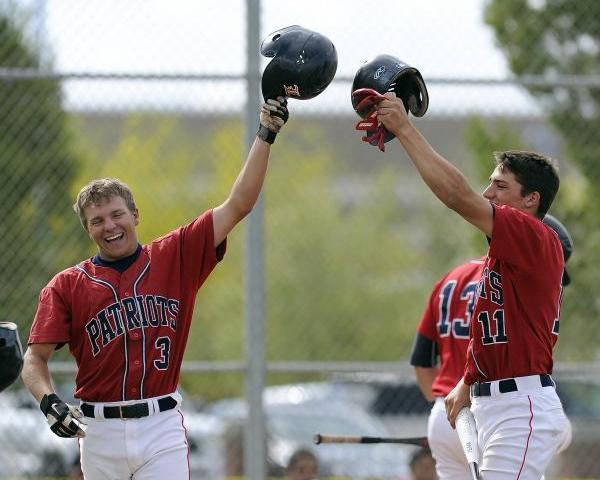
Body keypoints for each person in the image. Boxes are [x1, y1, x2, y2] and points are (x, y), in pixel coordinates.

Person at [20, 96, 289, 479]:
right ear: (88, 230)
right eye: (97, 221)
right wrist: (48, 402)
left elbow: (239, 204)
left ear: (135, 215)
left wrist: (266, 132)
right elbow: (34, 359)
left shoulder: (176, 254)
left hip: (159, 424)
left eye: (117, 214)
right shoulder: (67, 285)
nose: (109, 226)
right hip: (99, 431)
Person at [375, 93, 570, 479]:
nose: (488, 194)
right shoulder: (502, 259)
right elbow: (496, 336)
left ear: (531, 200)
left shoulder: (534, 236)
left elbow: (456, 195)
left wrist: (404, 128)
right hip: (486, 404)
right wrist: (467, 382)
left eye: (500, 186)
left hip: (519, 409)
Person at [410, 215, 573, 480]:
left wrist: (445, 409)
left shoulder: (450, 279)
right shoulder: (515, 285)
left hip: (446, 413)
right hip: (495, 411)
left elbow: (422, 363)